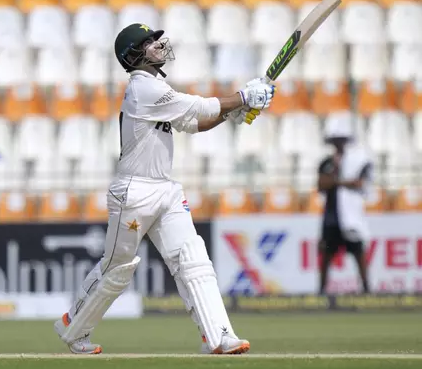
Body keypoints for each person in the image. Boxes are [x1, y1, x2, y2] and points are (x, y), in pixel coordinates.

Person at [53, 23, 275, 355]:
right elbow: (199, 108)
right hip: (133, 192)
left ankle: (219, 336)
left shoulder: (158, 88)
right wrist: (243, 97)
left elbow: (193, 123)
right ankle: (73, 327)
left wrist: (235, 109)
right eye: (148, 43)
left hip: (165, 191)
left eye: (156, 40)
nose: (158, 45)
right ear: (133, 56)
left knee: (192, 259)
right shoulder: (143, 88)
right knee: (118, 269)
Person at [317, 114, 372, 295]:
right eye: (335, 141)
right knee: (326, 254)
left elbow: (360, 184)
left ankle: (366, 289)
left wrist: (337, 181)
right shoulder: (326, 163)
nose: (338, 144)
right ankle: (322, 291)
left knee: (358, 253)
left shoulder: (357, 162)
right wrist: (342, 179)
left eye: (341, 140)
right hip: (331, 216)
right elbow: (322, 185)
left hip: (351, 215)